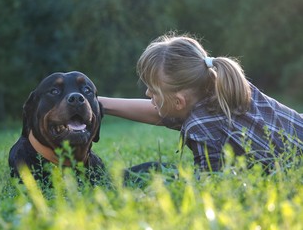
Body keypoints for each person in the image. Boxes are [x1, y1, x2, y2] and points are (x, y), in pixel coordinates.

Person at [99, 33, 303, 172]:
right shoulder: (226, 87)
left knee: (155, 172)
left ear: (179, 102)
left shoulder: (201, 127)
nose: (147, 93)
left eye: (153, 90)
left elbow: (210, 186)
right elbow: (161, 112)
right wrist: (99, 103)